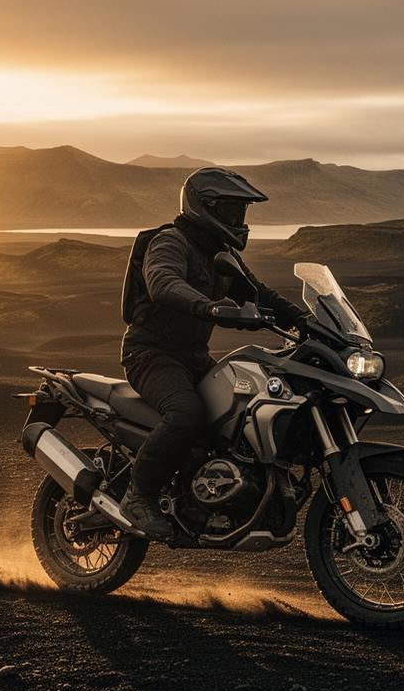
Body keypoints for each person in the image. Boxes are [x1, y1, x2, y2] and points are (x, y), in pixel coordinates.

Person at [117, 167, 307, 537]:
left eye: (242, 211)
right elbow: (162, 282)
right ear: (205, 207)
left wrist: (304, 319)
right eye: (232, 210)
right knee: (186, 413)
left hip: (193, 357)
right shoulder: (171, 242)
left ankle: (211, 493)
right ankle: (138, 496)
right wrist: (209, 306)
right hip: (151, 354)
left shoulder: (219, 253)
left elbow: (259, 293)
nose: (239, 219)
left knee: (236, 412)